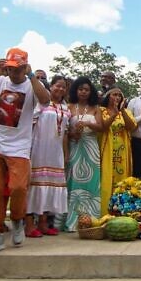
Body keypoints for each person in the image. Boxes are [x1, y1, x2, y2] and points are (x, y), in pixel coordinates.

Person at [0, 47, 50, 254]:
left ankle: (17, 220)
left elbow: (45, 100)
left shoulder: (32, 84)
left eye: (18, 69)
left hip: (19, 146)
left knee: (18, 187)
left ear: (25, 67)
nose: (14, 73)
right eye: (11, 68)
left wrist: (32, 76)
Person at [25, 76, 71, 237]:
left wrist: (65, 153)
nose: (60, 89)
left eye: (64, 87)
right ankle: (29, 224)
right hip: (39, 149)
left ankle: (44, 222)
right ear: (50, 87)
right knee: (34, 186)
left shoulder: (65, 108)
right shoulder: (41, 104)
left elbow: (65, 133)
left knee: (50, 187)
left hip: (55, 152)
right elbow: (29, 126)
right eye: (57, 86)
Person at [61, 76, 103, 228]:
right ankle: (72, 221)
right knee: (73, 182)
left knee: (92, 183)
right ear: (75, 90)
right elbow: (64, 130)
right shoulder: (69, 106)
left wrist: (86, 123)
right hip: (74, 146)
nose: (83, 92)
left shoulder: (95, 108)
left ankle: (91, 219)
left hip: (91, 148)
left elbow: (101, 127)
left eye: (86, 90)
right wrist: (74, 133)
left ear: (90, 91)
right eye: (80, 89)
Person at [99, 86, 136, 216]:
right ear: (107, 97)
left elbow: (131, 126)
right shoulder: (101, 111)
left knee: (122, 181)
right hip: (107, 150)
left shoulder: (125, 112)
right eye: (114, 95)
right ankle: (105, 212)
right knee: (106, 179)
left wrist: (122, 111)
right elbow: (102, 127)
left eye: (119, 95)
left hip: (122, 152)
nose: (117, 98)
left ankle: (120, 212)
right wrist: (113, 114)